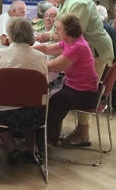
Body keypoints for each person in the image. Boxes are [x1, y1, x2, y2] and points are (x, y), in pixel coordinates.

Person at [36, 0, 113, 146]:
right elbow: (59, 31)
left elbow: (70, 32)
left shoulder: (78, 2)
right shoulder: (66, 0)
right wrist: (46, 37)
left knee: (81, 89)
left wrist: (47, 40)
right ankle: (60, 132)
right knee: (65, 92)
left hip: (96, 50)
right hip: (85, 49)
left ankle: (82, 133)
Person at [0, 17, 48, 164]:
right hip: (34, 114)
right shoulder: (41, 57)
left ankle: (11, 148)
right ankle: (31, 148)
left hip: (3, 113)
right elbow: (44, 85)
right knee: (30, 104)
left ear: (10, 35)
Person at [34, 14, 99, 146]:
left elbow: (53, 66)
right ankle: (46, 137)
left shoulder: (78, 46)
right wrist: (24, 50)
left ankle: (41, 141)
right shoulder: (70, 42)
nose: (55, 31)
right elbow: (46, 48)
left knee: (51, 103)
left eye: (58, 28)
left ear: (68, 30)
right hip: (74, 88)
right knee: (50, 97)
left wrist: (26, 61)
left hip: (84, 94)